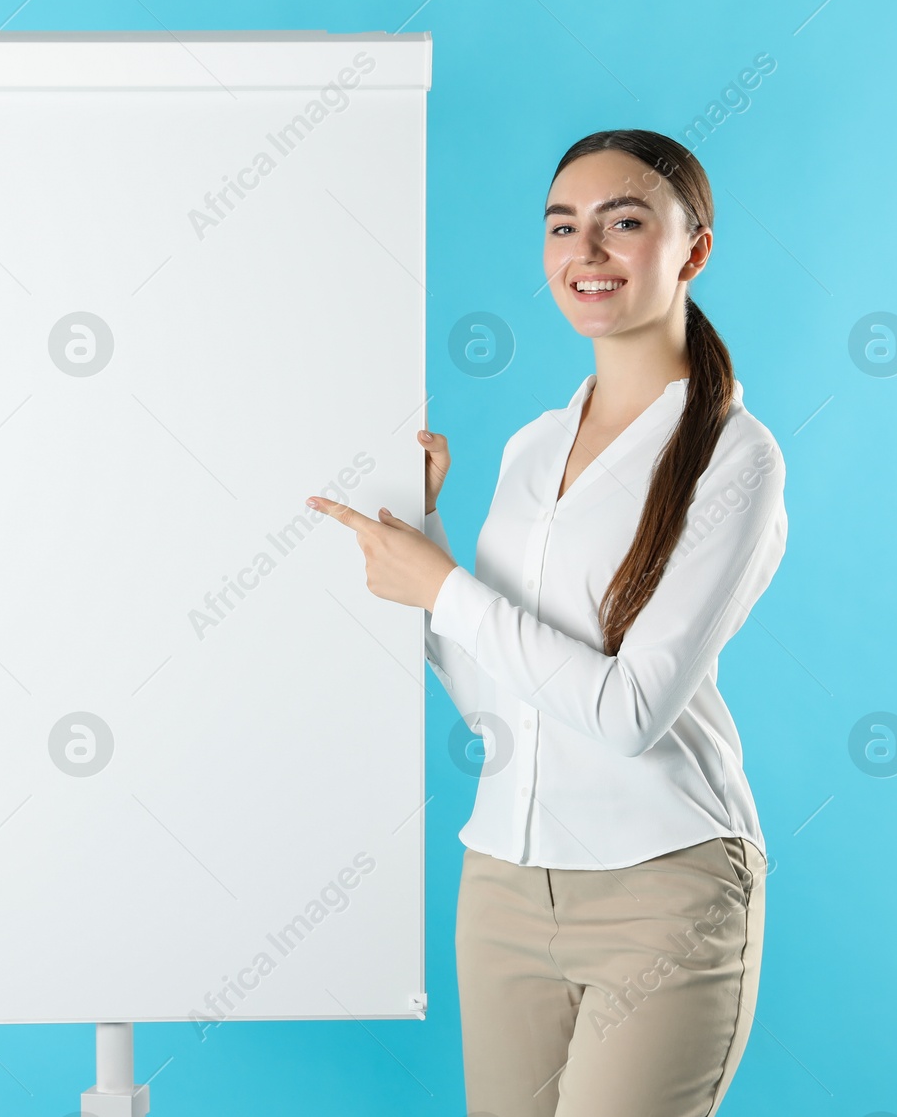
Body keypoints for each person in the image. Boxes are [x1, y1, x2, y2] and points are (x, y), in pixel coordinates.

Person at [307, 128, 788, 1116]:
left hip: (666, 891)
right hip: (505, 886)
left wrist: (443, 585)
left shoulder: (734, 457)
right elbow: (495, 696)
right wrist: (426, 530)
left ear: (692, 250)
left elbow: (628, 714)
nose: (587, 253)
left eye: (624, 223)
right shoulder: (534, 446)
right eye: (563, 227)